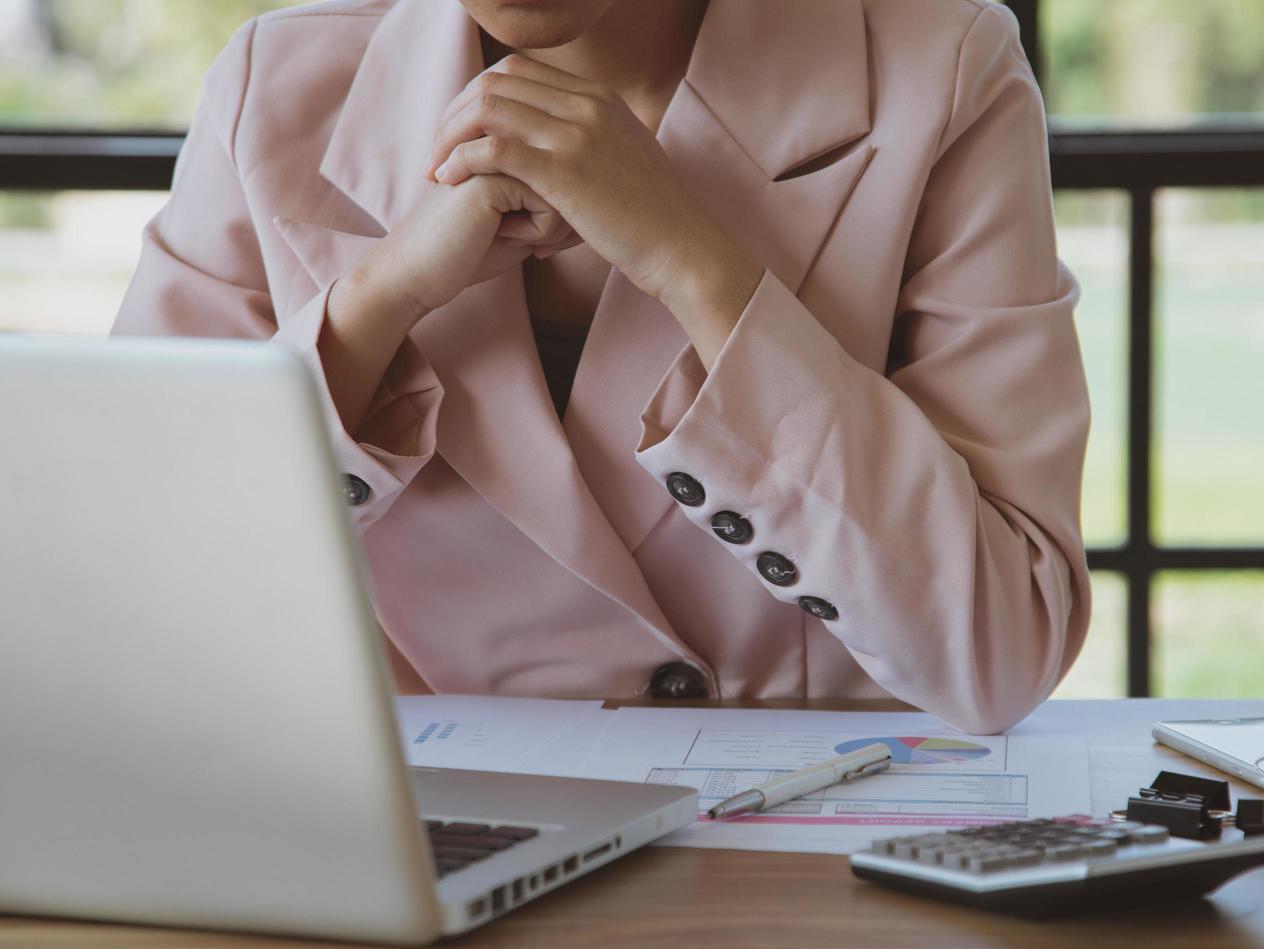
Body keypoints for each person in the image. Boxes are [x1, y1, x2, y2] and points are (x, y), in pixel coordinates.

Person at [112, 0, 1092, 734]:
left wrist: (693, 261)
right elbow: (123, 595)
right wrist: (377, 305)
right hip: (421, 867)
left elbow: (1003, 643)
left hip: (817, 873)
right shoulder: (272, 84)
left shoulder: (943, 66)